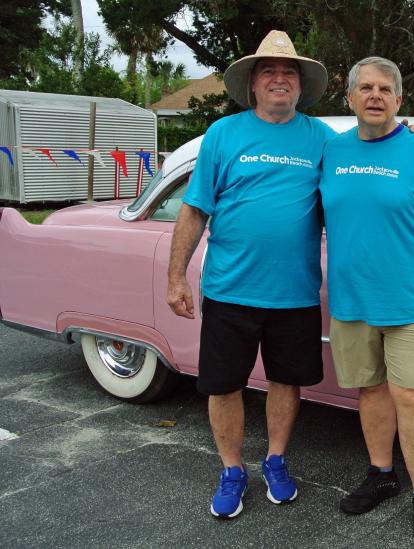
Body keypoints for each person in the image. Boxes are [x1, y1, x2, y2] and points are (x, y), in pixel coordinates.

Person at [165, 30, 335, 519]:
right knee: (224, 385)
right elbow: (194, 210)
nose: (280, 78)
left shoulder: (323, 140)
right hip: (230, 289)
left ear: (300, 87)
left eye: (288, 72)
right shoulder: (224, 134)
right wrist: (176, 276)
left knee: (286, 381)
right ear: (253, 84)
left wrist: (408, 138)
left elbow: (368, 166)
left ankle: (276, 460)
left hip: (295, 293)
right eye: (269, 71)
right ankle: (232, 469)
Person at [320, 57, 414, 547]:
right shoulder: (332, 151)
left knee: (412, 396)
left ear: (400, 101)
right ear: (350, 98)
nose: (375, 95)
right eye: (365, 87)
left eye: (385, 88)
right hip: (351, 303)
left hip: (412, 308)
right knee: (370, 391)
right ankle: (381, 473)